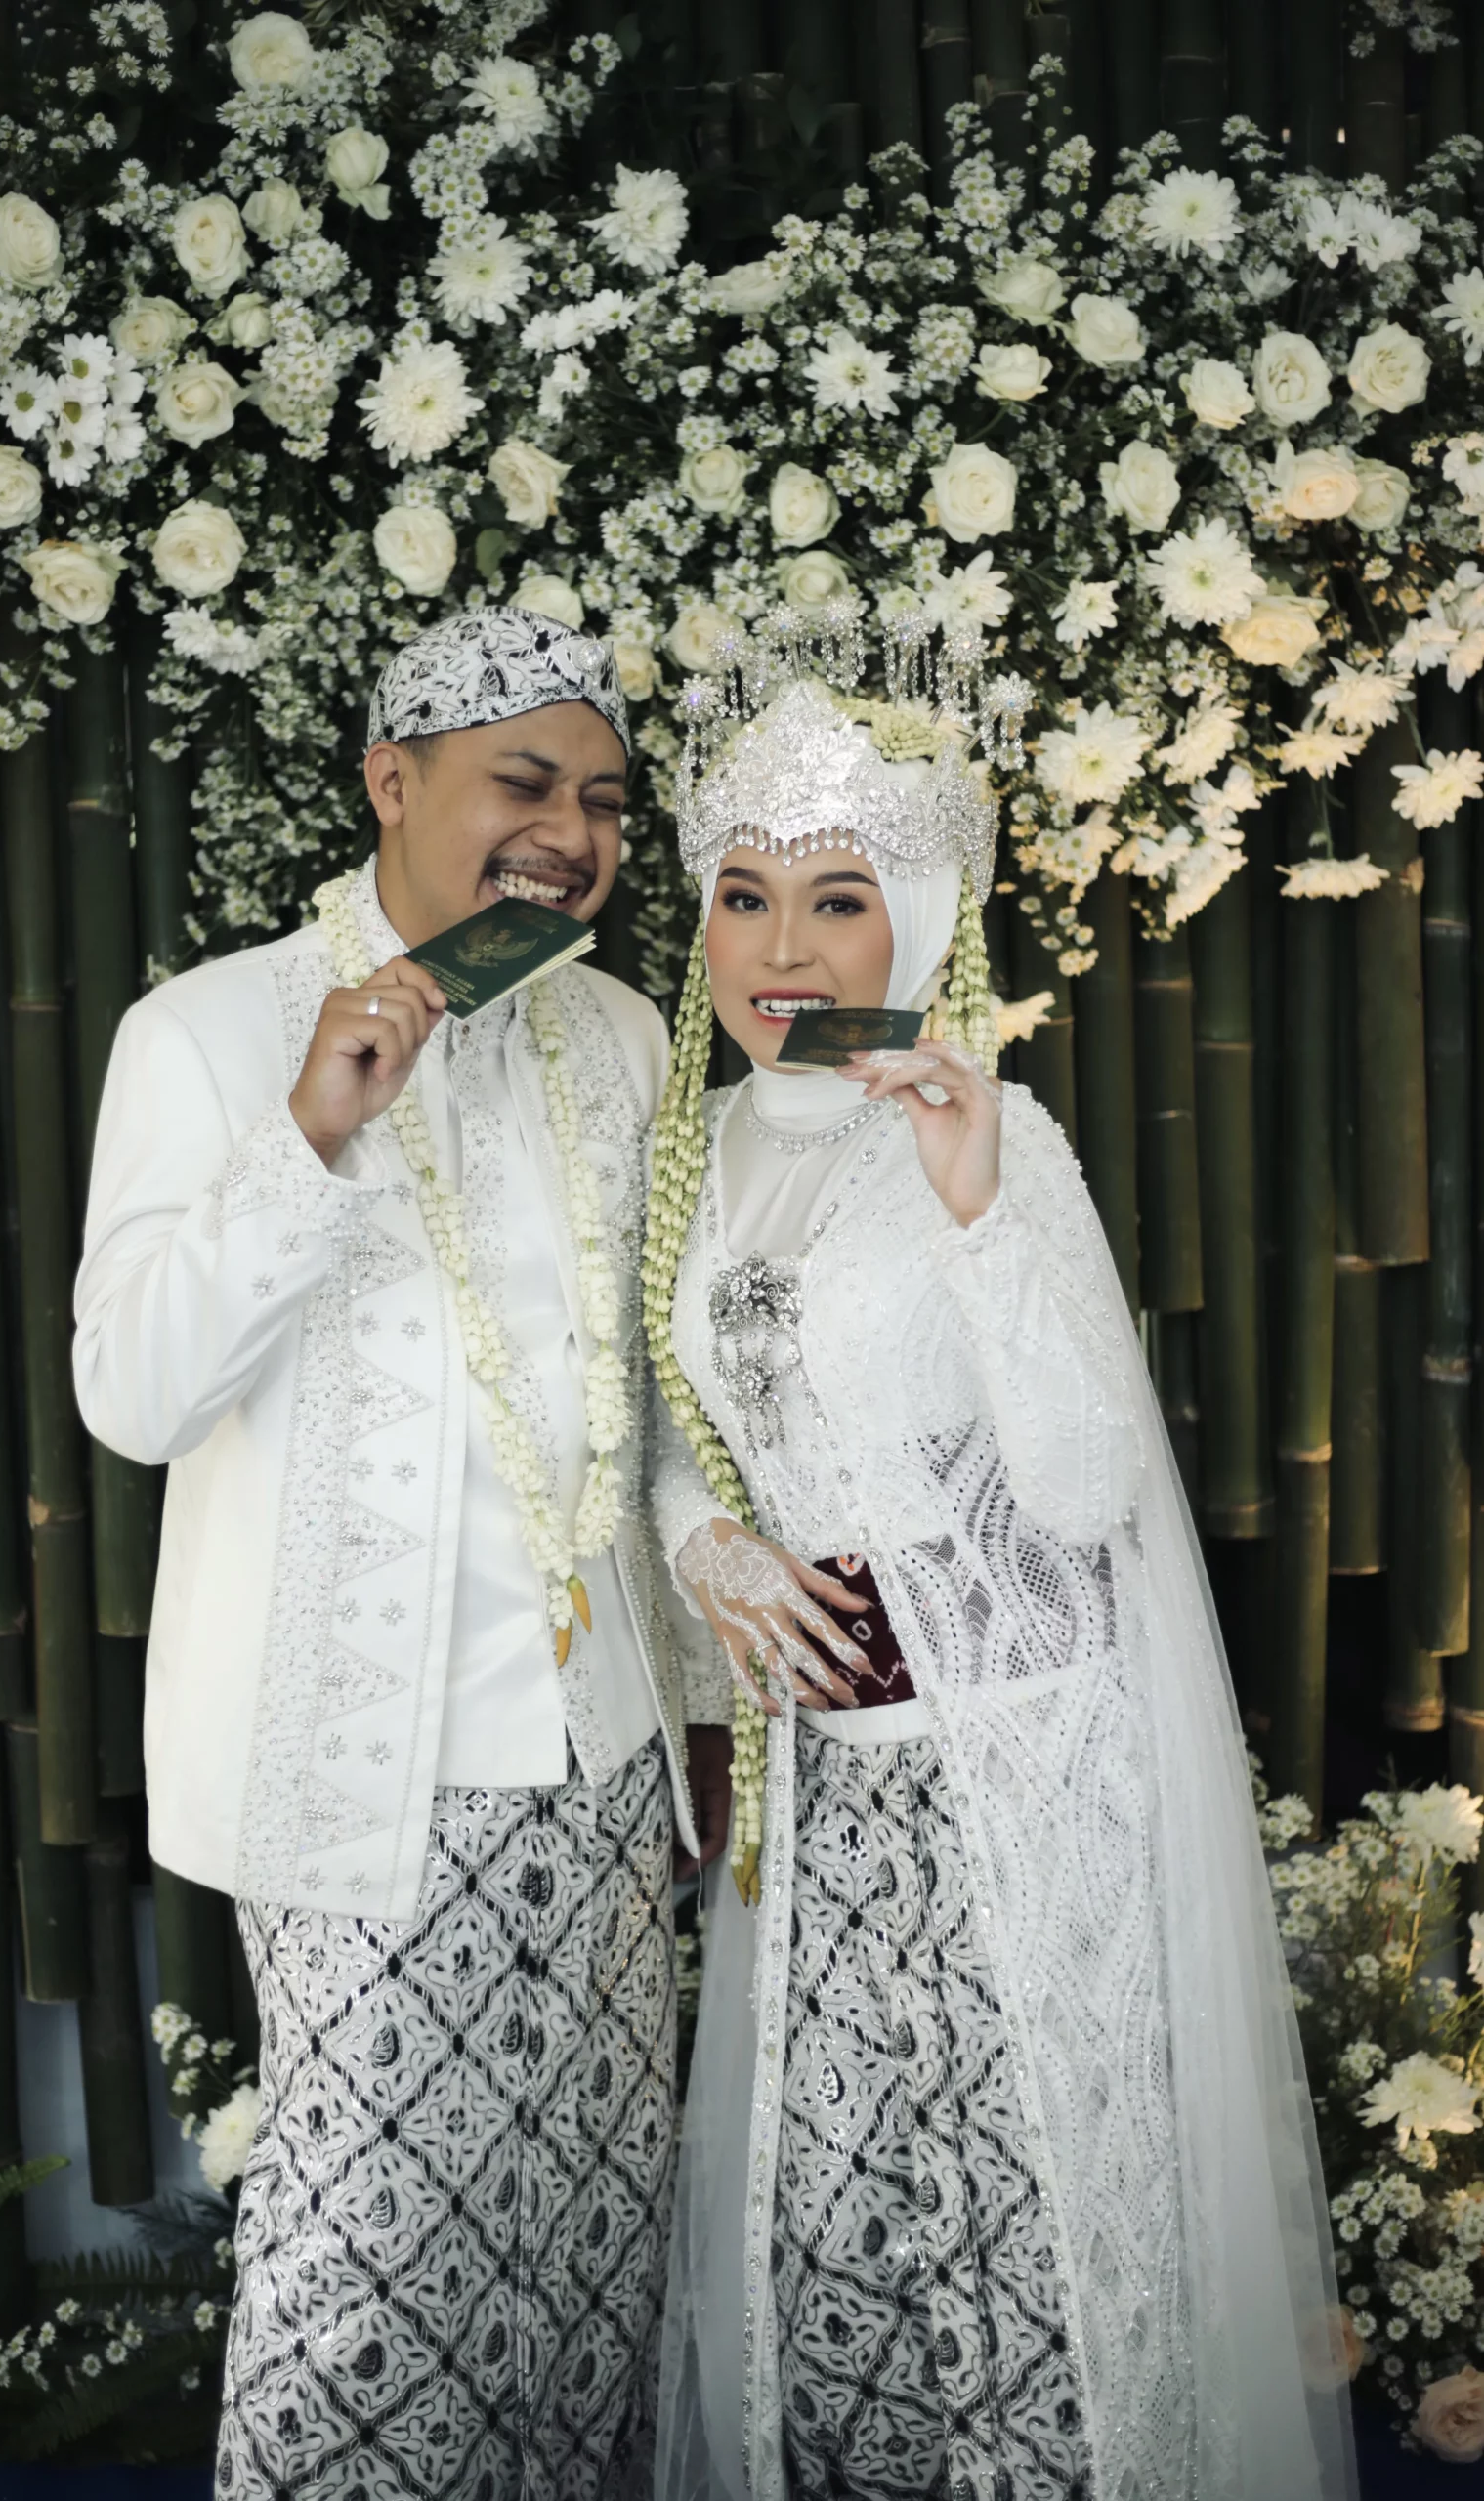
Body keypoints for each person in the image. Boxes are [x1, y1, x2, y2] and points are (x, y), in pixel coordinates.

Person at [646, 609, 1356, 2501]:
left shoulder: (991, 1130)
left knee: (1032, 2229)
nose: (782, 952)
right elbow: (655, 1420)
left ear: (923, 917)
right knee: (835, 2229)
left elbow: (1082, 1481)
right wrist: (703, 1540)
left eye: (837, 902)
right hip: (816, 1788)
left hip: (1013, 1766)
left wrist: (970, 1211)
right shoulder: (687, 1151)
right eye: (741, 897)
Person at [73, 608, 733, 2499]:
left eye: (603, 801)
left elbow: (658, 1398)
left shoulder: (619, 1034)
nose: (570, 835)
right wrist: (308, 1130)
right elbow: (131, 1393)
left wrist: (696, 1708)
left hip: (599, 1756)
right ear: (389, 779)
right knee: (370, 2271)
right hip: (359, 1766)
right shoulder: (211, 1031)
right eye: (523, 783)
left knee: (585, 2249)